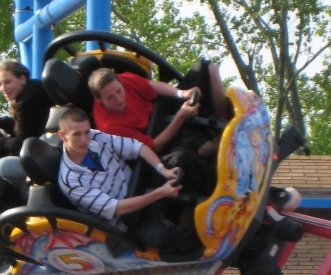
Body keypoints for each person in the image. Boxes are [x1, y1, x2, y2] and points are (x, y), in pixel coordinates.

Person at [55, 108, 202, 260]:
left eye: (86, 132)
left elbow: (137, 147)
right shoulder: (70, 181)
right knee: (163, 236)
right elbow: (117, 208)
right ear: (62, 136)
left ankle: (215, 193)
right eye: (77, 134)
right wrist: (161, 193)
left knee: (181, 157)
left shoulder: (95, 137)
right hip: (128, 221)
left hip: (138, 185)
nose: (85, 139)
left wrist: (163, 170)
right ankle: (210, 242)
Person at [88, 61, 228, 158]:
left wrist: (181, 93)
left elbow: (151, 86)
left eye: (119, 91)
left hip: (160, 109)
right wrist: (180, 117)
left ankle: (224, 127)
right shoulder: (110, 128)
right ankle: (225, 147)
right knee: (204, 148)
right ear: (99, 100)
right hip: (154, 136)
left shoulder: (120, 80)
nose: (118, 99)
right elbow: (154, 147)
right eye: (110, 98)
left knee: (207, 68)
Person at [0, 59, 52, 156]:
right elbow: (25, 127)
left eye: (7, 82)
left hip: (41, 151)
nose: (3, 88)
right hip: (43, 142)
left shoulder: (25, 102)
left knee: (2, 165)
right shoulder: (36, 88)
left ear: (22, 79)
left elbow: (19, 144)